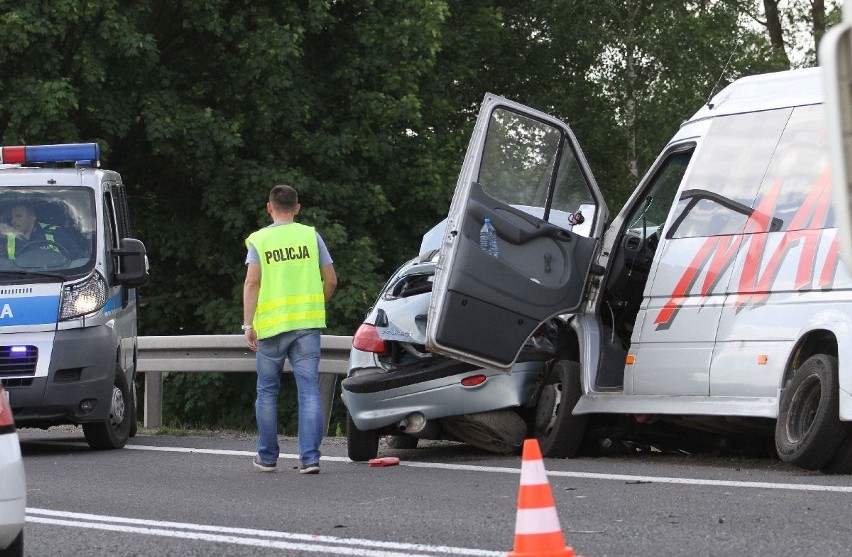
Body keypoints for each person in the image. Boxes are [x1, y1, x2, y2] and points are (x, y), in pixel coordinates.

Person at [242, 185, 337, 475]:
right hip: (307, 326)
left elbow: (252, 283)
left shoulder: (260, 240)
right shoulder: (311, 236)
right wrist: (316, 304)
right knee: (309, 391)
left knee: (267, 391)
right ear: (297, 208)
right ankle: (310, 459)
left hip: (271, 327)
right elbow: (331, 280)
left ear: (269, 207)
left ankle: (267, 458)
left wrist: (248, 324)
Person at [0, 201, 87, 261]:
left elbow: (80, 259)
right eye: (12, 217)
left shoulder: (54, 233)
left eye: (18, 216)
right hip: (17, 281)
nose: (13, 221)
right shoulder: (7, 238)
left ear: (32, 218)